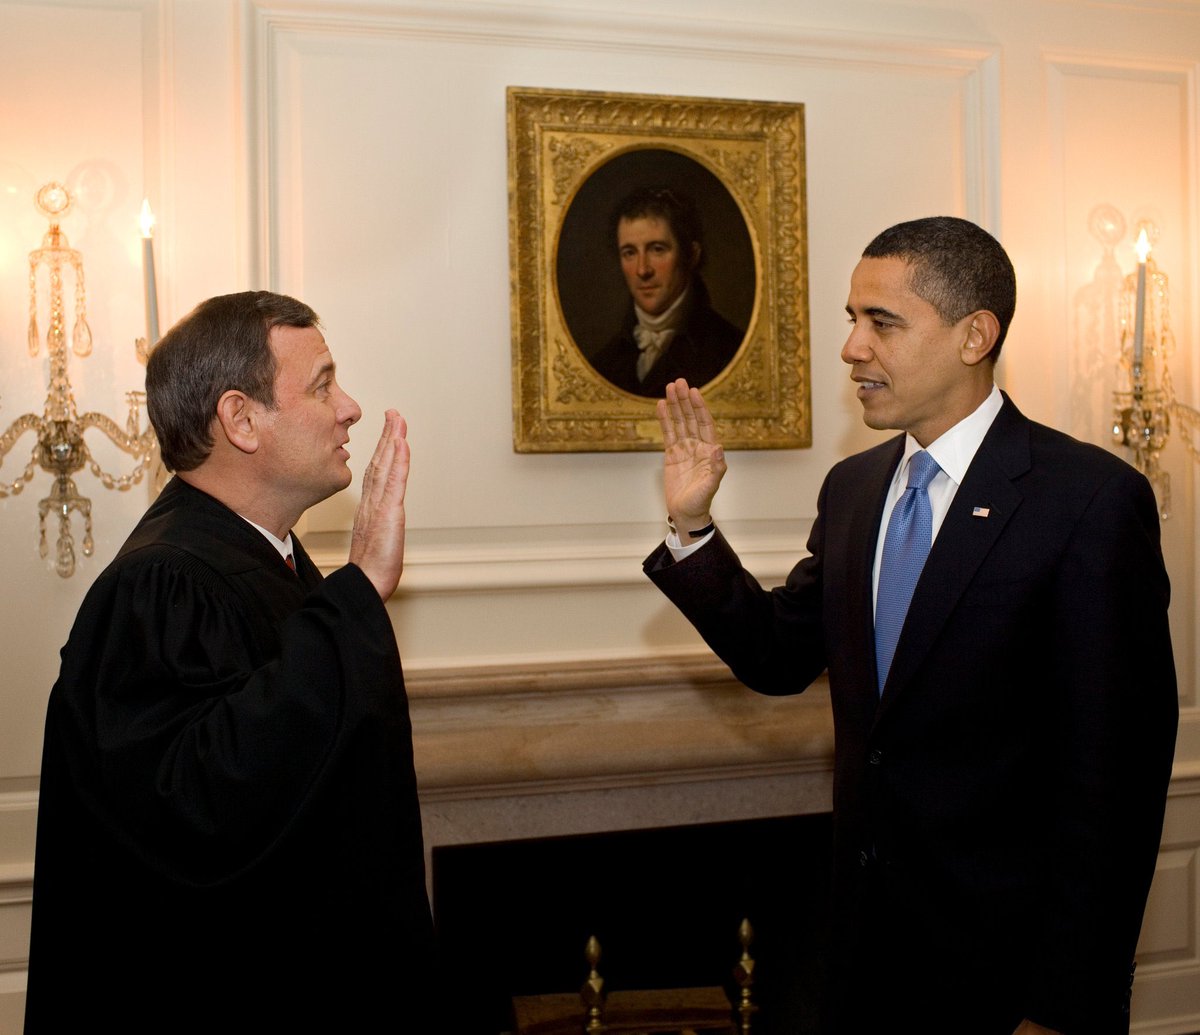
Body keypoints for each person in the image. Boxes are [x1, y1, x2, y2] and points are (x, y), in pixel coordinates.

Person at [644, 217, 1178, 1034]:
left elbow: (1116, 784)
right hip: (864, 960)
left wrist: (1060, 1004)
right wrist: (692, 529)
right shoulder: (854, 488)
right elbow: (779, 655)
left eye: (881, 322)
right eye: (851, 320)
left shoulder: (1088, 501)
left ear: (975, 335)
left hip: (1011, 980)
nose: (853, 348)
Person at [24, 291, 434, 1032]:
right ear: (241, 420)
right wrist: (360, 588)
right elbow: (203, 807)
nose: (350, 407)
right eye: (321, 385)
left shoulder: (270, 559)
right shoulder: (162, 584)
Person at [587, 186, 745, 397]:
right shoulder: (602, 366)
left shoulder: (731, 353)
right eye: (629, 253)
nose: (642, 270)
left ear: (691, 255)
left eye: (657, 249)